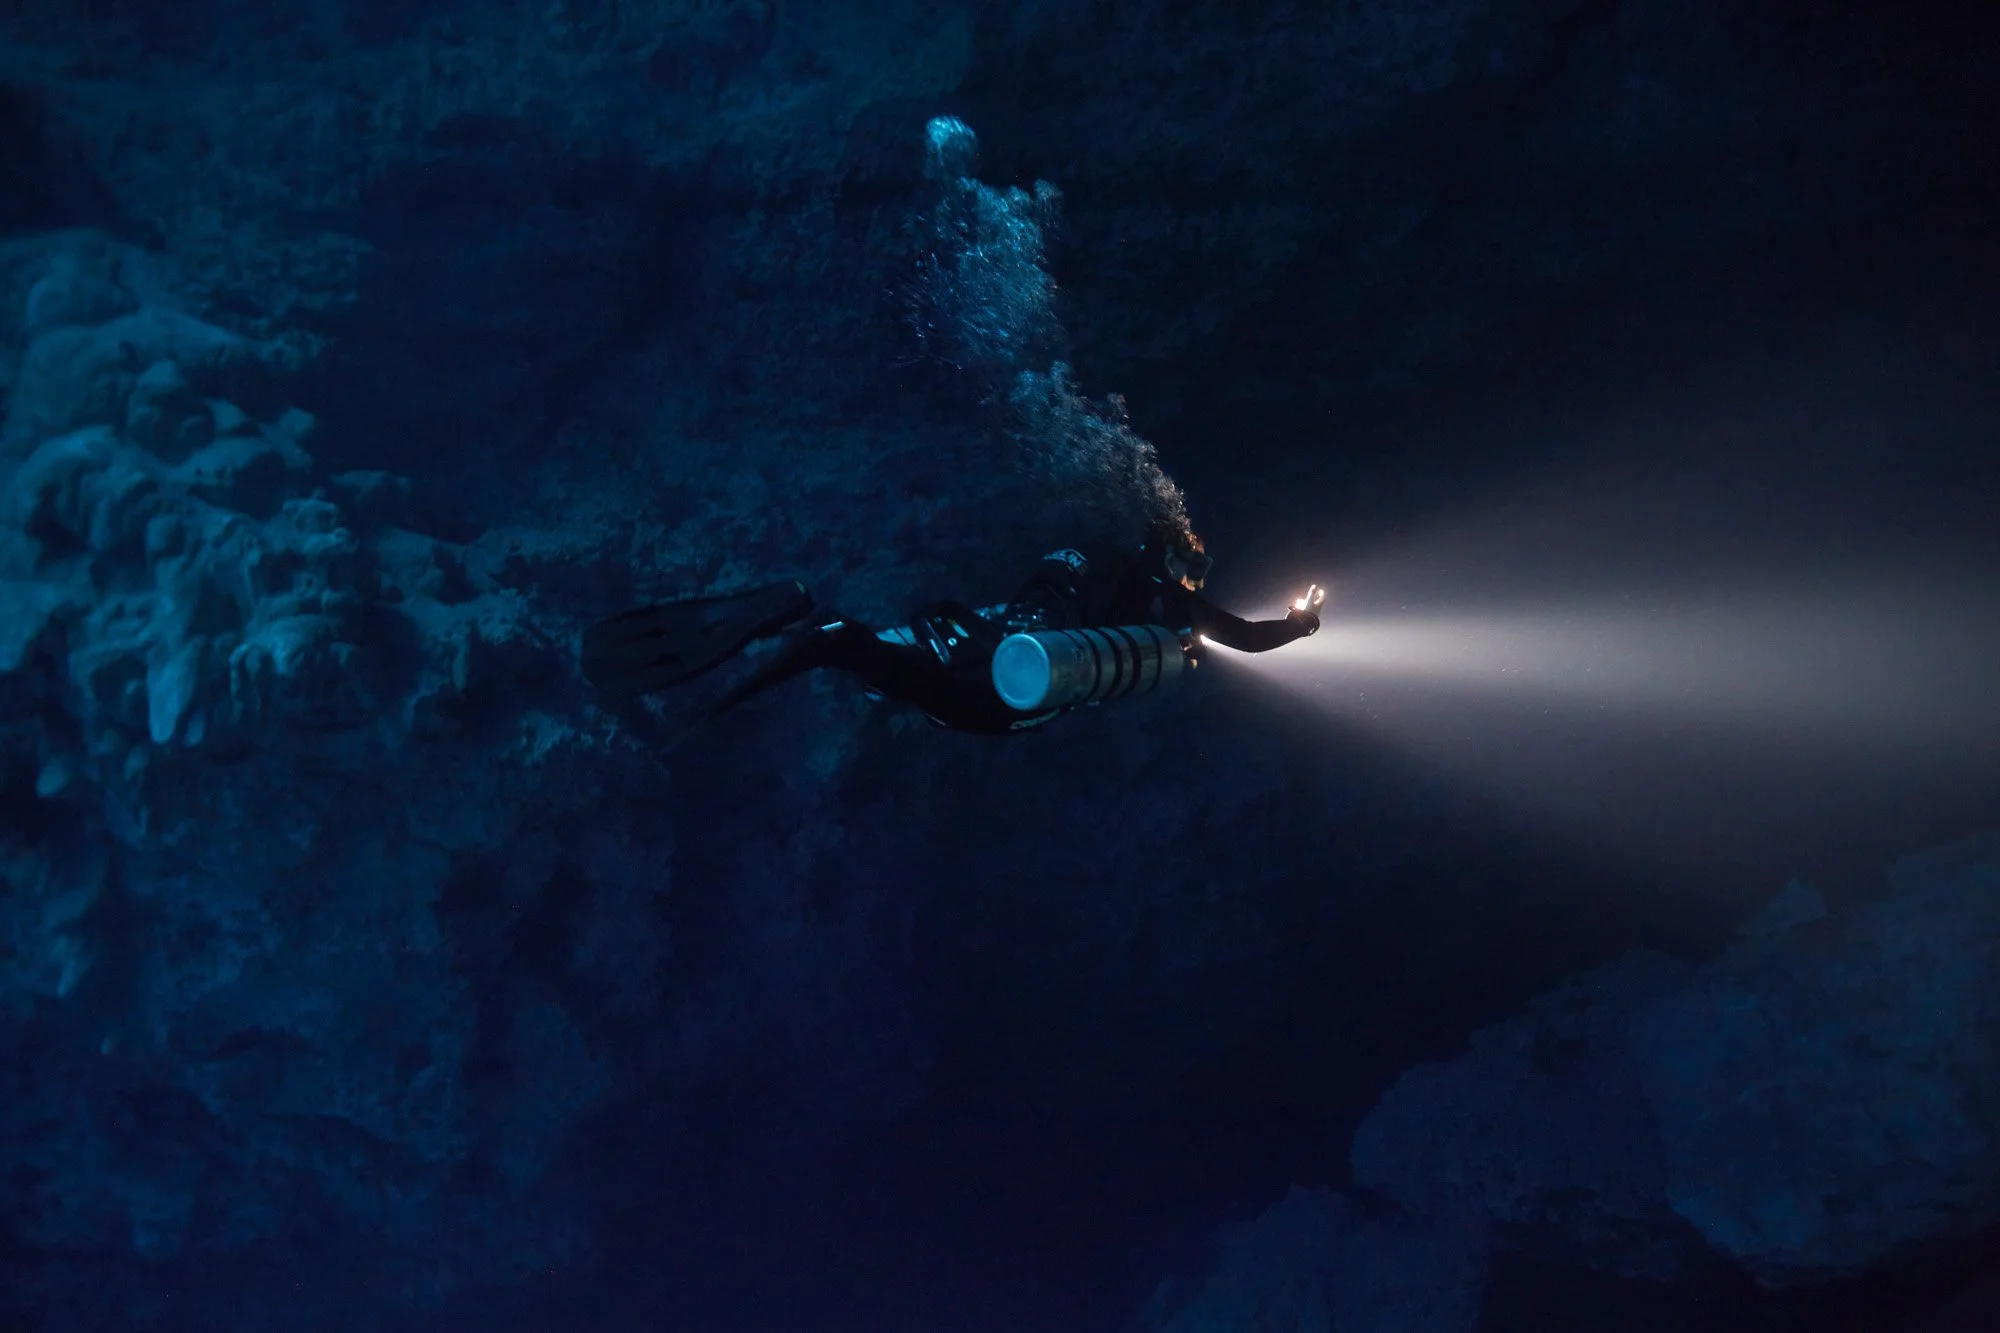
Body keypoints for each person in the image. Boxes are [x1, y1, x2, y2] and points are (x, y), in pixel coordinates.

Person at [580, 523, 1321, 735]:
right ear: (1172, 559)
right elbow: (1250, 639)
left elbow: (1013, 608)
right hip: (994, 696)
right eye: (1192, 564)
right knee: (842, 646)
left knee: (837, 641)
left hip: (978, 657)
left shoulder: (1084, 556)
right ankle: (706, 713)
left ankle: (723, 690)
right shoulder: (1159, 589)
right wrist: (1301, 622)